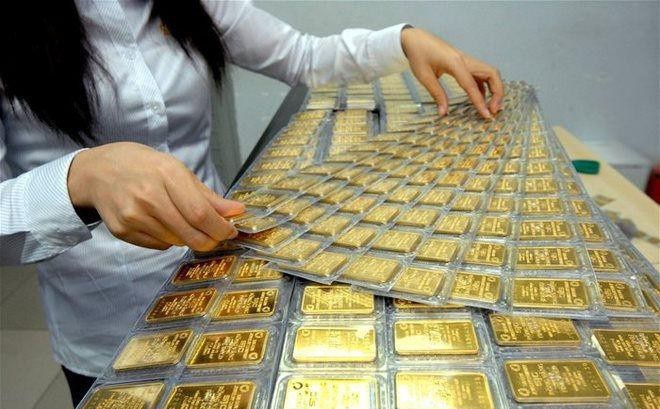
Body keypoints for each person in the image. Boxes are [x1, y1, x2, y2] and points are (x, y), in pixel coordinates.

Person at [0, 0, 503, 406]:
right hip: (109, 323)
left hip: (228, 283)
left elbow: (304, 57)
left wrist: (403, 40)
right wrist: (78, 179)